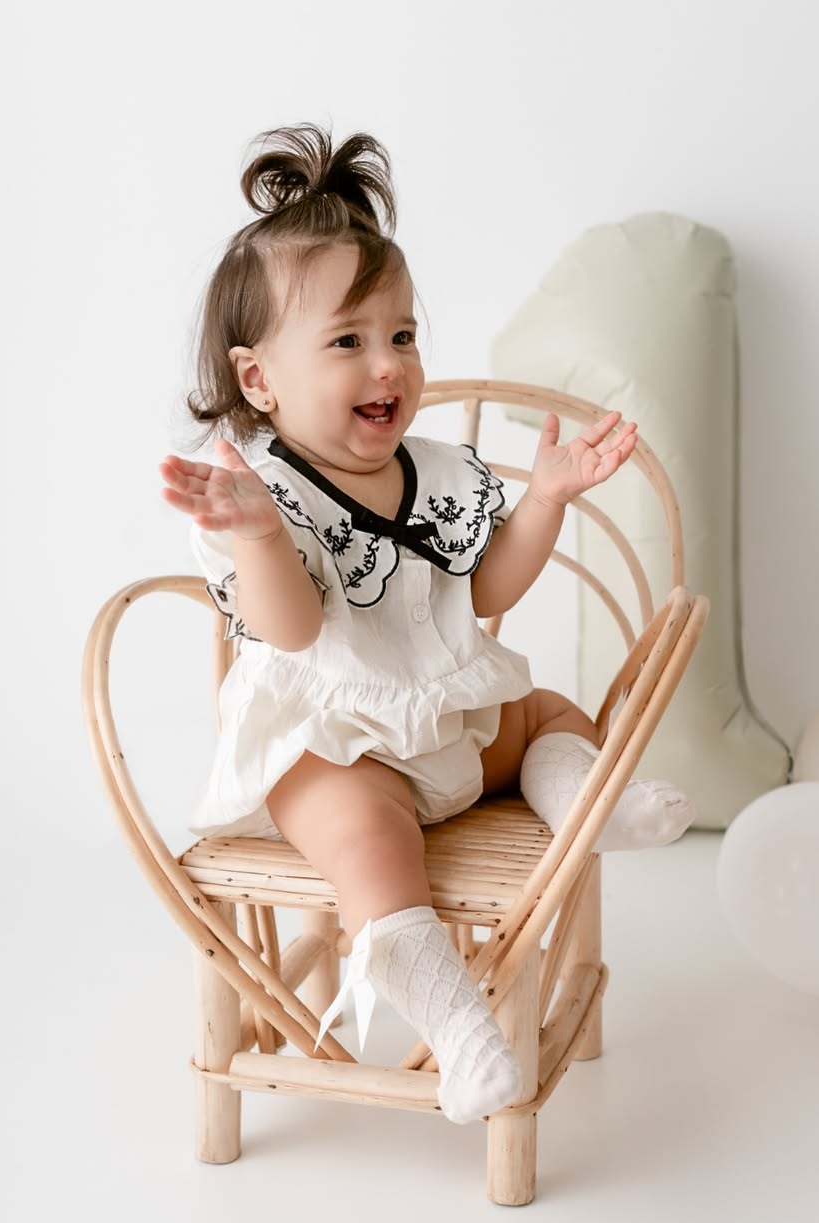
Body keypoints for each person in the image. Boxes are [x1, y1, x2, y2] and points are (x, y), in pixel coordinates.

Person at [159, 124, 694, 1125]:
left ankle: (587, 804)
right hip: (338, 745)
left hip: (449, 719)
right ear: (260, 379)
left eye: (402, 335)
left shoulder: (439, 472)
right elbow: (292, 629)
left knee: (544, 710)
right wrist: (259, 538)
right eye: (348, 341)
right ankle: (456, 1025)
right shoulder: (260, 493)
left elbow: (485, 591)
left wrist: (544, 502)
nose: (389, 364)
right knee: (367, 837)